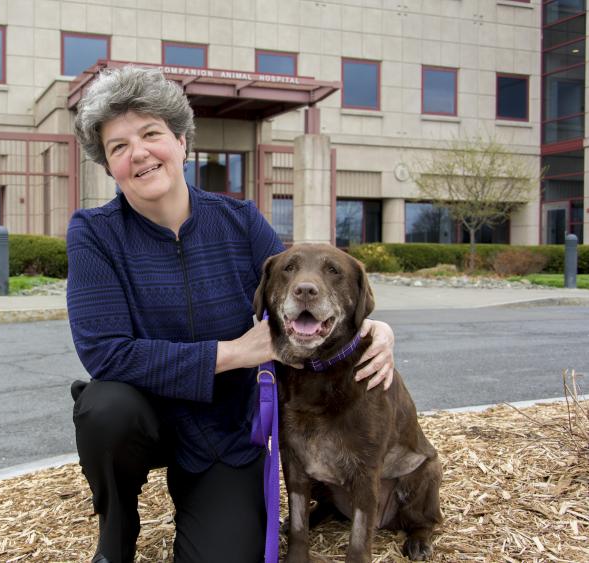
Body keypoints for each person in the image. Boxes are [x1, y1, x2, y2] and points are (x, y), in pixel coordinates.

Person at [66, 66, 396, 563]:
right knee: (103, 408)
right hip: (141, 416)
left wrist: (372, 328)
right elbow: (103, 352)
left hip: (223, 433)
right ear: (108, 164)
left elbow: (300, 299)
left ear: (181, 142)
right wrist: (233, 352)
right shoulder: (94, 234)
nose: (138, 153)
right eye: (118, 146)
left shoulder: (239, 221)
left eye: (151, 134)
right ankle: (118, 523)